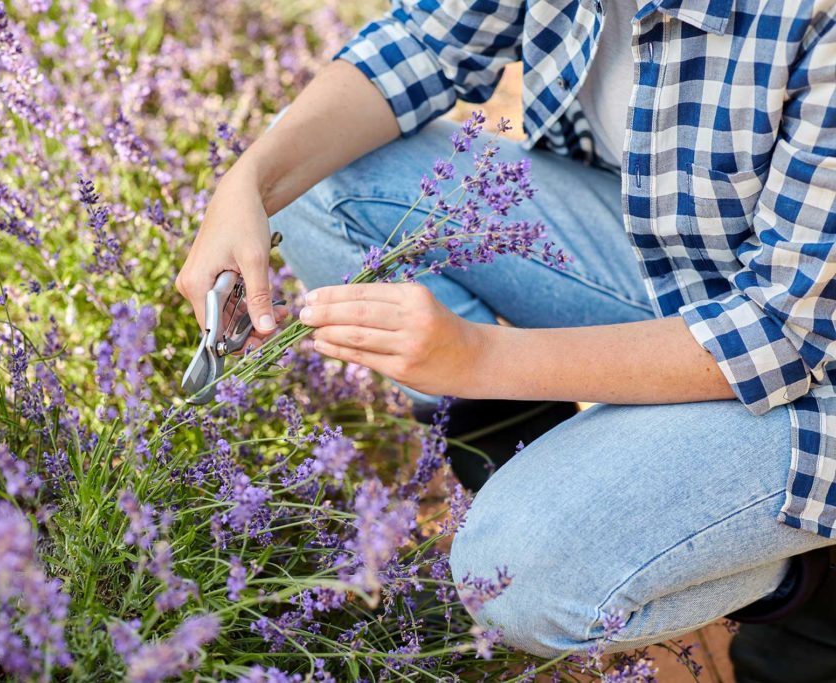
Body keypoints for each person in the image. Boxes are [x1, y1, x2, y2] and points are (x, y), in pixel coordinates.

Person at [175, 0, 836, 674]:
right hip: (679, 261)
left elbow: (781, 333)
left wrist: (480, 358)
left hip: (814, 365)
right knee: (322, 172)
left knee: (514, 576)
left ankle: (807, 589)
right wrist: (248, 183)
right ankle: (568, 479)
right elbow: (423, 45)